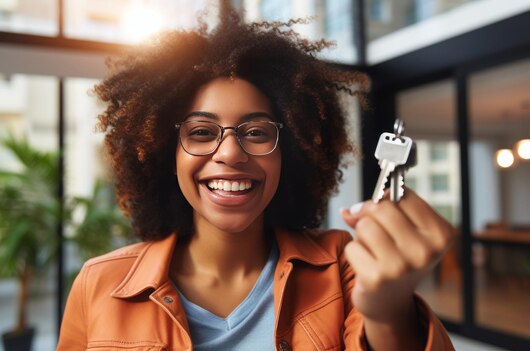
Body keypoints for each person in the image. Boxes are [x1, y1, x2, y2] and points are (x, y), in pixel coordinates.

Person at [57, 2, 455, 350]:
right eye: (200, 132)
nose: (230, 152)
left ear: (290, 153)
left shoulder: (343, 267)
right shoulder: (98, 283)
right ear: (166, 153)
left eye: (256, 132)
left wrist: (389, 315)